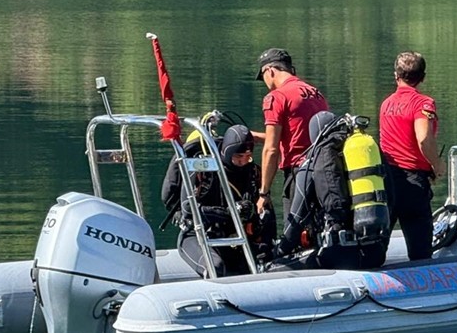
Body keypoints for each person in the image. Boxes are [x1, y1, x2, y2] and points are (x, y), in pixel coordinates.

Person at [269, 111, 390, 270]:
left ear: (314, 136)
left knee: (274, 267)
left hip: (336, 256)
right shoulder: (368, 159)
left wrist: (278, 252)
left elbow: (296, 221)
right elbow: (391, 201)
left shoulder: (311, 166)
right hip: (375, 254)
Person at [163, 124, 275, 277]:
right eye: (238, 156)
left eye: (247, 156)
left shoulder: (253, 173)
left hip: (236, 239)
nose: (243, 161)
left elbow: (266, 213)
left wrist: (265, 247)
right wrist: (230, 212)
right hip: (199, 236)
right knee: (216, 267)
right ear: (227, 152)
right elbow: (188, 209)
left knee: (266, 265)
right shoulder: (204, 170)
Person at [378, 51, 445, 260]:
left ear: (396, 76)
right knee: (420, 252)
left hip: (387, 181)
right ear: (422, 77)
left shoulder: (386, 104)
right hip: (413, 183)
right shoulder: (423, 104)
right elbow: (424, 138)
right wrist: (437, 165)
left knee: (378, 247)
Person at [254, 47, 330, 221]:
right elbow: (301, 133)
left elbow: (271, 150)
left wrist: (264, 193)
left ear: (270, 71)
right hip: (322, 171)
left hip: (298, 176)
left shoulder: (276, 97)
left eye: (263, 76)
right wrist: (258, 137)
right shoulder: (315, 93)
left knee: (294, 232)